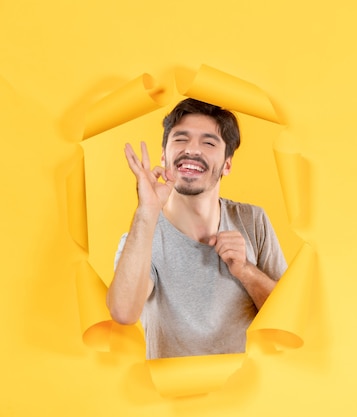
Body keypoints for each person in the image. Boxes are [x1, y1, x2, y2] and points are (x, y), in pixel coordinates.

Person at [106, 98, 287, 359]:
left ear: (227, 164)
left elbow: (287, 321)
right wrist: (146, 211)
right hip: (173, 395)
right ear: (163, 155)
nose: (192, 149)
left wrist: (246, 271)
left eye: (208, 142)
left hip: (248, 394)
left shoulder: (253, 221)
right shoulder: (142, 236)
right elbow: (123, 312)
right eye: (180, 139)